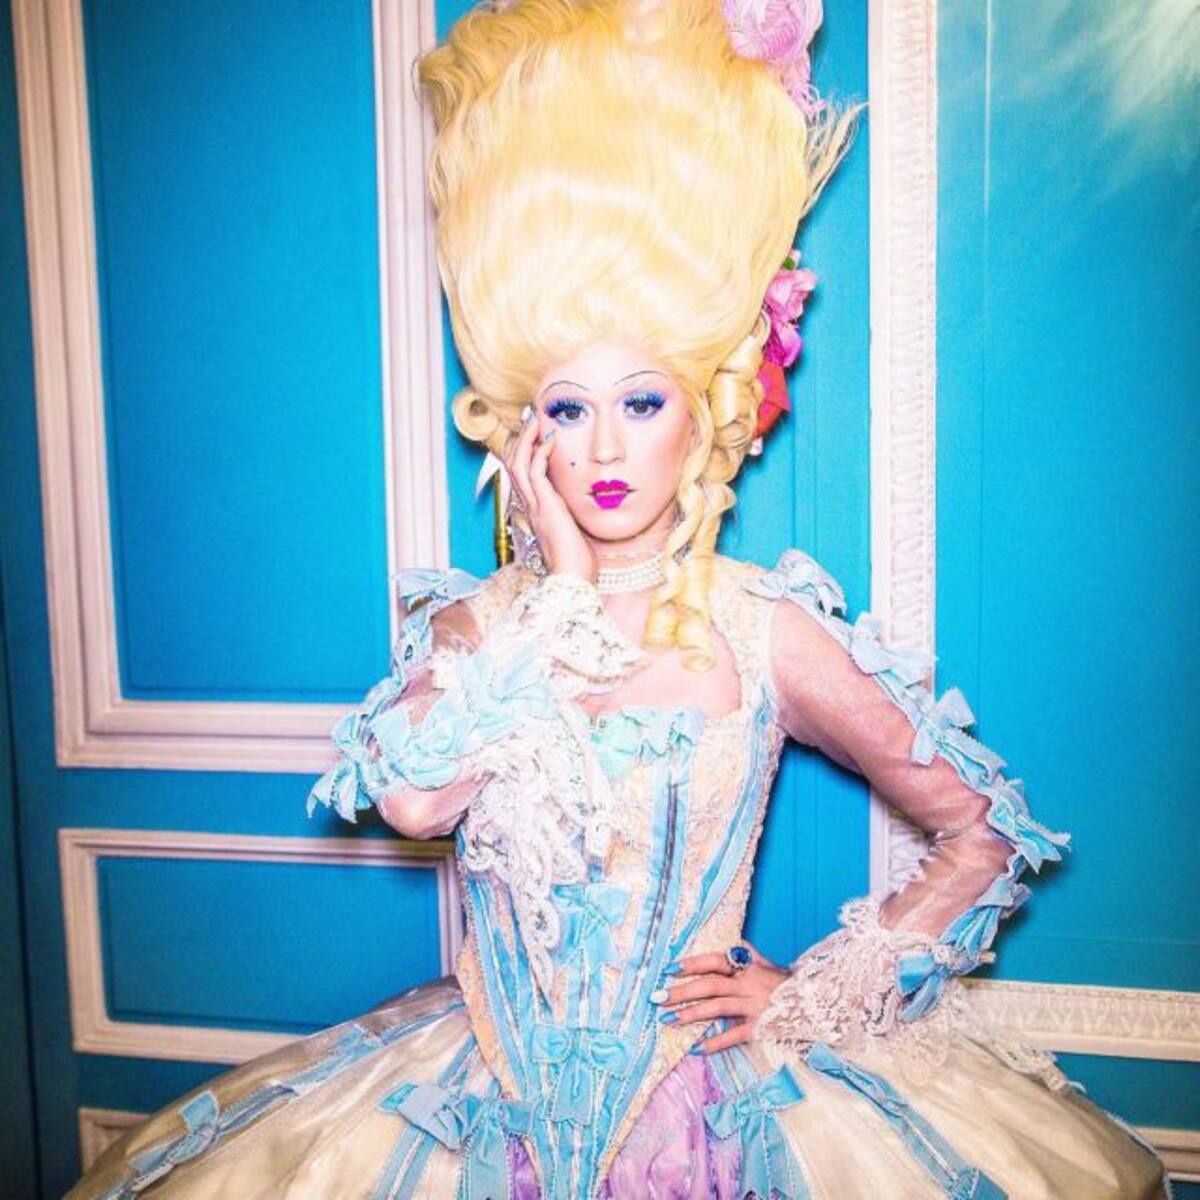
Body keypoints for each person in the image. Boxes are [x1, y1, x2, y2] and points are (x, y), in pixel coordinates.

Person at [67, 2, 1169, 1197]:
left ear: (703, 410)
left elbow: (984, 829)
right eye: (567, 407)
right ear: (524, 429)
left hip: (714, 1113)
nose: (603, 447)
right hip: (478, 1108)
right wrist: (564, 592)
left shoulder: (759, 628)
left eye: (640, 402)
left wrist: (808, 996)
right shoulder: (481, 626)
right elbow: (415, 797)